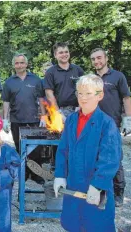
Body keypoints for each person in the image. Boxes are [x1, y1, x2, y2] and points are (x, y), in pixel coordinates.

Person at [53, 74, 121, 232]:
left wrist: (98, 185)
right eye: (80, 93)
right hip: (74, 185)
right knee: (73, 224)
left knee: (96, 225)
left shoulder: (107, 124)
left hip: (95, 188)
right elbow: (63, 150)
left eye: (88, 93)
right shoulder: (71, 120)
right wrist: (60, 175)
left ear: (100, 95)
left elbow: (110, 160)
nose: (83, 98)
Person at [90, 48, 131, 207]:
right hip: (94, 125)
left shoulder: (117, 76)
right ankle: (100, 191)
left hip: (112, 125)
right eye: (93, 59)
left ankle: (118, 192)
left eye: (99, 58)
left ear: (106, 58)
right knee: (96, 158)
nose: (96, 61)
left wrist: (128, 119)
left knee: (114, 158)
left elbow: (126, 97)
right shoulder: (92, 79)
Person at [2, 54, 47, 184]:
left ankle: (36, 174)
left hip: (34, 120)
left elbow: (41, 99)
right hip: (17, 120)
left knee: (36, 149)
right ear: (14, 65)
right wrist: (5, 119)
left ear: (26, 64)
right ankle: (24, 173)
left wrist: (43, 115)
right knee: (20, 148)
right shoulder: (9, 82)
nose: (19, 65)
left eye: (22, 63)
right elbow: (6, 102)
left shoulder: (36, 80)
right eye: (17, 63)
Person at [44, 42, 84, 120]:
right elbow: (49, 93)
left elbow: (84, 90)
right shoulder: (50, 72)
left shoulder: (78, 70)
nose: (64, 54)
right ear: (55, 55)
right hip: (60, 111)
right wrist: (57, 112)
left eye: (66, 52)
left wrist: (81, 107)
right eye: (61, 52)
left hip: (78, 110)